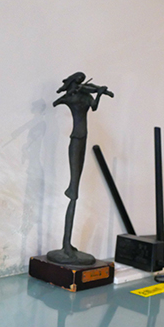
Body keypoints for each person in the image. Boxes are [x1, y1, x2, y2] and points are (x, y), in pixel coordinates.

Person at [47, 72, 113, 265]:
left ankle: (67, 243)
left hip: (83, 139)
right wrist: (69, 94)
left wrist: (99, 93)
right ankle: (66, 245)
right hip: (76, 140)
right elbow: (56, 102)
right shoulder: (73, 97)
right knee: (74, 194)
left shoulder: (84, 97)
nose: (80, 84)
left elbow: (94, 106)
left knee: (75, 191)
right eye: (77, 82)